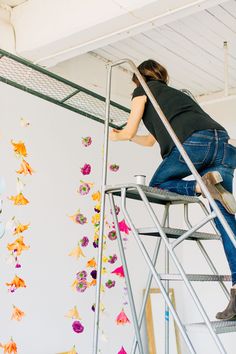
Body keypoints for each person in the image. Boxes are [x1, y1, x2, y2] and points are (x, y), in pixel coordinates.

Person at [109, 59, 236, 320]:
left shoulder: (142, 89)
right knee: (225, 218)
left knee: (158, 184)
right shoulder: (173, 99)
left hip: (195, 144)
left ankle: (200, 188)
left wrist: (117, 135)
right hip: (222, 143)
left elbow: (129, 128)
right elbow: (148, 140)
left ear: (138, 78)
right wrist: (131, 137)